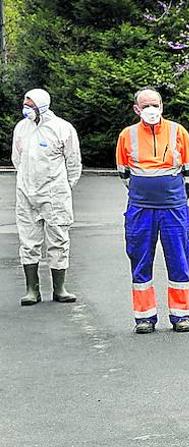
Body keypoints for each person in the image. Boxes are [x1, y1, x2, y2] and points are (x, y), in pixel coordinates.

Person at [115, 88, 189, 333]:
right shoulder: (127, 135)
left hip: (174, 209)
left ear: (162, 107)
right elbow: (124, 173)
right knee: (140, 259)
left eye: (155, 105)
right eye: (145, 106)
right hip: (140, 209)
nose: (151, 110)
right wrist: (146, 192)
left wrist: (176, 197)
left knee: (179, 259)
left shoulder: (177, 131)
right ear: (136, 110)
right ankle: (144, 317)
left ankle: (181, 316)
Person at [11, 88, 82, 306]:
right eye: (25, 103)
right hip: (26, 193)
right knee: (28, 241)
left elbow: (73, 162)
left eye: (30, 103)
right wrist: (27, 181)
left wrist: (65, 186)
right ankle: (32, 290)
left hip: (54, 194)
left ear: (42, 105)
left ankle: (59, 288)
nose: (26, 107)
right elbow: (17, 159)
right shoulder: (21, 128)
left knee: (58, 239)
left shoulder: (61, 128)